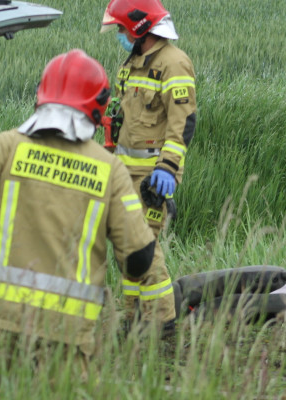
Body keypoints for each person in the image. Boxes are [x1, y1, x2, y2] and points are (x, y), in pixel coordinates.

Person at [0, 49, 175, 374]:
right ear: (100, 105)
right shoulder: (110, 169)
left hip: (2, 316)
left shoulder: (10, 145)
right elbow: (137, 257)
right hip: (68, 328)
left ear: (42, 95)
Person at [100, 0, 195, 321]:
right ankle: (134, 317)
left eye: (121, 29)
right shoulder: (131, 65)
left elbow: (183, 123)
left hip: (153, 175)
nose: (119, 35)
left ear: (140, 28)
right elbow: (121, 120)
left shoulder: (174, 64)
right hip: (124, 173)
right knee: (126, 249)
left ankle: (162, 323)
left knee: (144, 247)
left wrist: (168, 169)